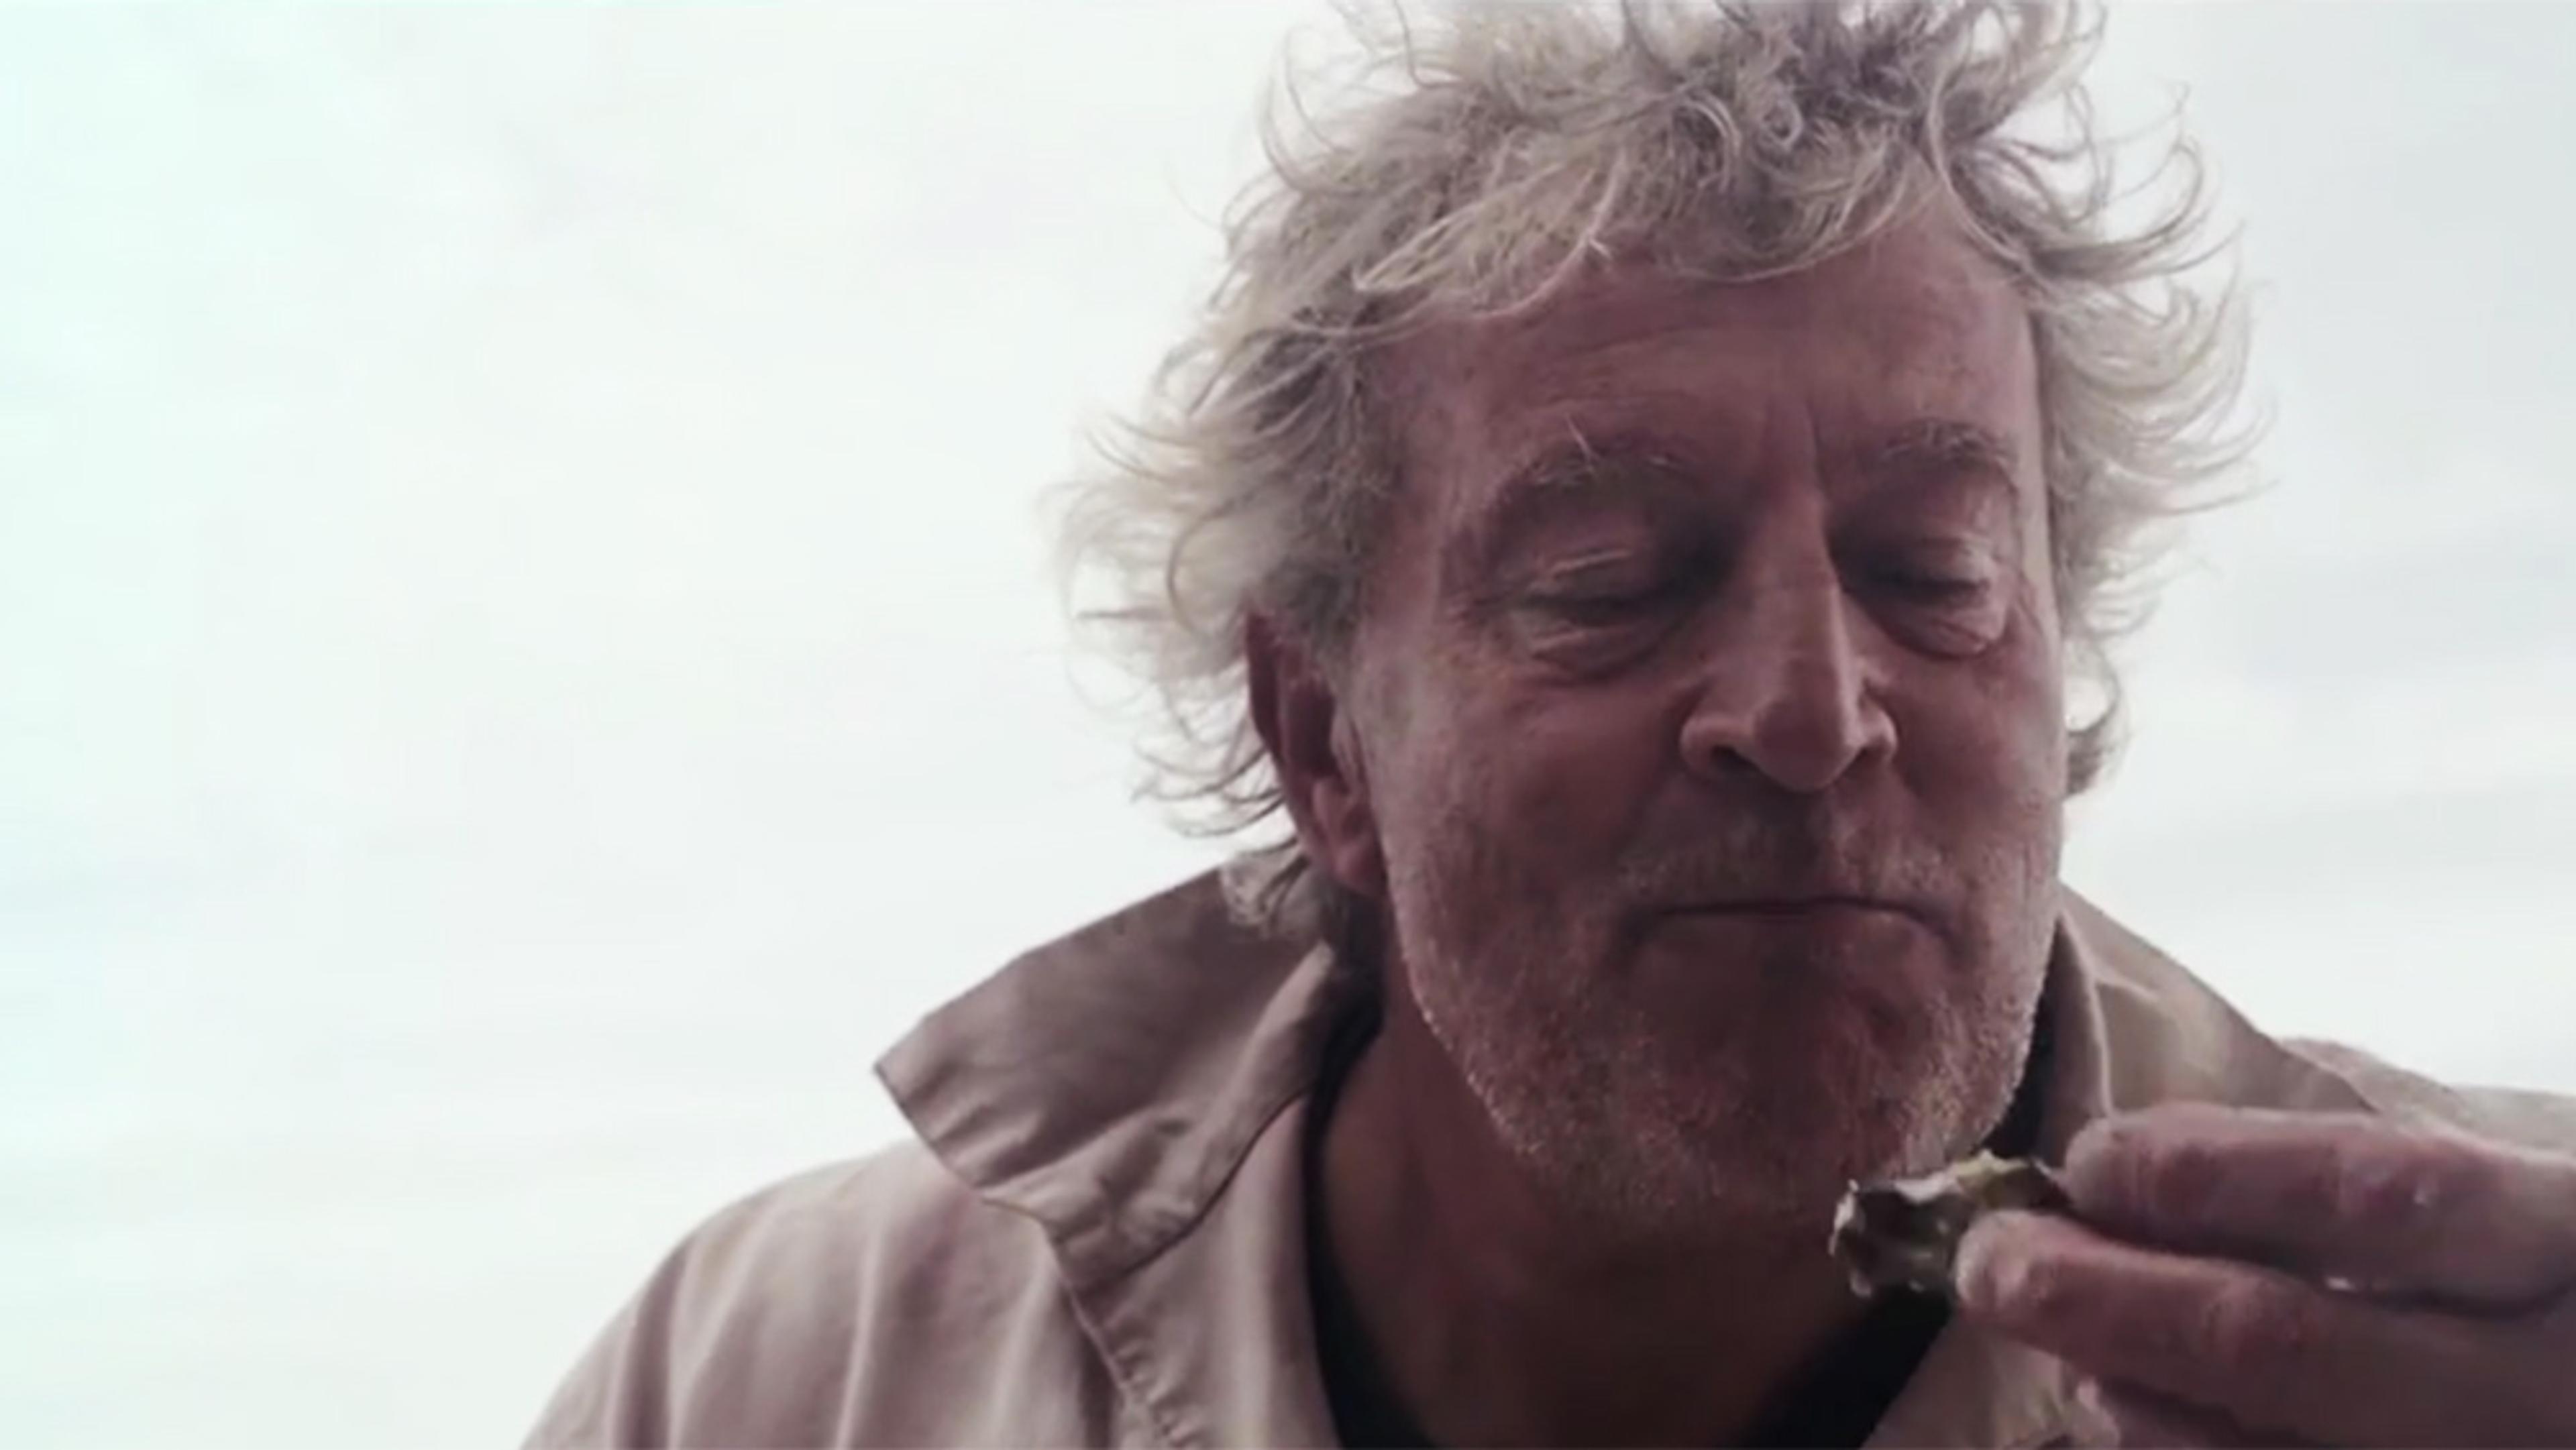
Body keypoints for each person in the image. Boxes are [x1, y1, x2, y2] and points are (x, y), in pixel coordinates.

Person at [525, 3, 2576, 1445]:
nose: (1811, 709)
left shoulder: (2494, 1343)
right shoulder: (787, 1384)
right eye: (1611, 580)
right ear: (1322, 741)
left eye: (1937, 567)